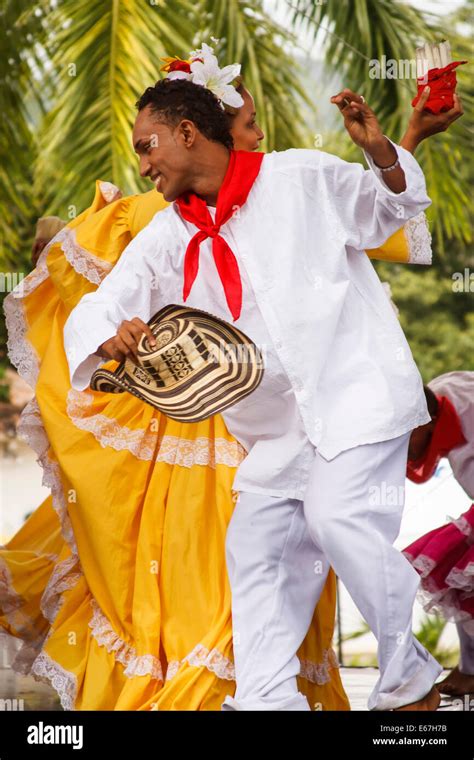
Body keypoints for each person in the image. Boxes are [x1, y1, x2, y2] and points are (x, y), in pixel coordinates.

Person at [1, 45, 462, 711]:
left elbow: (386, 211)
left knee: (337, 518)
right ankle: (266, 701)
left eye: (147, 144)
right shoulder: (168, 235)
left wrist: (385, 150)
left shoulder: (298, 178)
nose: (143, 164)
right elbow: (107, 301)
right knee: (256, 551)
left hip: (356, 399)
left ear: (188, 132)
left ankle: (410, 680)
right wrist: (110, 333)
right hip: (274, 433)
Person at [403, 372, 474, 697]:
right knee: (460, 574)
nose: (402, 445)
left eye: (406, 434)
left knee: (460, 569)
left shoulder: (466, 403)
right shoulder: (441, 391)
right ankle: (471, 668)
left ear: (427, 420)